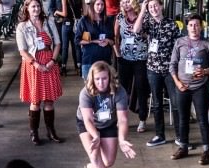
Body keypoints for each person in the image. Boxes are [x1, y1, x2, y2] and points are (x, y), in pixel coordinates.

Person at [169, 14, 209, 163]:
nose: (194, 28)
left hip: (200, 86)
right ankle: (183, 147)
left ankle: (206, 150)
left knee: (202, 119)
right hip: (182, 86)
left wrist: (205, 71)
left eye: (197, 25)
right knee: (183, 118)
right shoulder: (179, 42)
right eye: (191, 25)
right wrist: (177, 82)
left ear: (201, 26)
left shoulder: (207, 44)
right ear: (187, 27)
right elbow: (172, 65)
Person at [132, 0, 180, 147]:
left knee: (176, 103)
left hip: (170, 70)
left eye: (155, 6)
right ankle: (160, 135)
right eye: (150, 6)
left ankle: (180, 136)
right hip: (153, 69)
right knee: (157, 104)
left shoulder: (171, 23)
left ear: (161, 6)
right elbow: (136, 30)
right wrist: (142, 12)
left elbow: (178, 46)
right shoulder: (147, 22)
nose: (153, 8)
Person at [16, 0, 65, 145]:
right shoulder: (22, 27)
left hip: (49, 62)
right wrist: (36, 64)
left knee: (49, 100)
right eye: (33, 6)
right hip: (33, 64)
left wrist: (53, 61)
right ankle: (34, 133)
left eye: (38, 6)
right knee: (35, 100)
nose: (36, 9)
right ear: (27, 9)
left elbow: (58, 43)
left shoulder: (49, 21)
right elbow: (22, 50)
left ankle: (51, 131)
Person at [77, 61, 136, 168]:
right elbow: (88, 119)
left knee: (108, 161)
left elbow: (123, 119)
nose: (101, 82)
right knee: (95, 156)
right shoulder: (85, 93)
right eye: (97, 79)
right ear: (92, 78)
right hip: (87, 123)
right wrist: (95, 136)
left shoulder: (119, 91)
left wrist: (122, 139)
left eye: (104, 78)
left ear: (110, 77)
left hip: (108, 123)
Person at [114, 0, 149, 133]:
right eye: (123, 2)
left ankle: (142, 119)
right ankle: (122, 118)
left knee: (141, 88)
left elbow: (145, 33)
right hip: (125, 59)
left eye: (128, 1)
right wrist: (118, 55)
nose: (125, 4)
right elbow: (116, 37)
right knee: (122, 89)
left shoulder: (143, 17)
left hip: (141, 59)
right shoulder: (120, 17)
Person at [75, 0, 115, 79]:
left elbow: (113, 40)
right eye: (98, 4)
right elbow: (77, 40)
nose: (100, 7)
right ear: (92, 5)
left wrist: (108, 41)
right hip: (89, 60)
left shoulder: (108, 21)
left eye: (102, 5)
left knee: (105, 88)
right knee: (89, 89)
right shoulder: (84, 21)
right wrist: (94, 41)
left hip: (105, 61)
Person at [51, 0, 82, 75]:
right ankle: (78, 67)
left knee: (65, 47)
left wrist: (56, 12)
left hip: (66, 24)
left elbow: (65, 14)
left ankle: (63, 67)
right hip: (76, 25)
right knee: (76, 47)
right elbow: (83, 12)